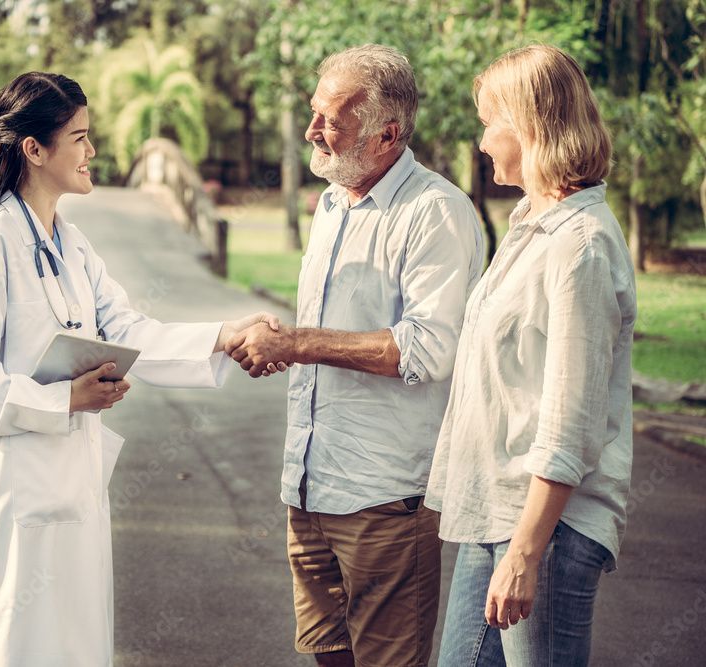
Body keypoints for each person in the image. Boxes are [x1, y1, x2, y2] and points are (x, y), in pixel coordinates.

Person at [0, 72, 278, 667]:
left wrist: (225, 335)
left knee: (76, 647)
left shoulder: (71, 245)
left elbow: (127, 330)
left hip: (71, 485)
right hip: (12, 492)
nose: (93, 152)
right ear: (34, 150)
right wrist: (63, 400)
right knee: (15, 649)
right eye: (80, 138)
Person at [226, 44, 485, 666]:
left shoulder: (436, 213)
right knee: (327, 655)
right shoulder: (334, 202)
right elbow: (336, 332)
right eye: (313, 113)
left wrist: (294, 343)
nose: (312, 131)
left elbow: (427, 348)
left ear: (387, 135)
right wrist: (286, 341)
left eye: (330, 120)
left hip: (384, 498)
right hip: (312, 484)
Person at [424, 44, 636, 666]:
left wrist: (523, 554)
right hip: (499, 518)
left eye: (491, 122)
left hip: (544, 531)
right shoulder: (532, 229)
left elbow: (571, 422)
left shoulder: (580, 247)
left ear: (534, 124)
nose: (483, 140)